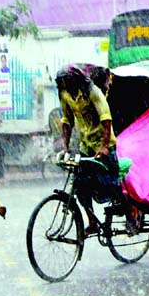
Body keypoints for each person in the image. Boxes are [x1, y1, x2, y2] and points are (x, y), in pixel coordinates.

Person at [56, 65, 137, 235]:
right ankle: (92, 221)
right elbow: (67, 121)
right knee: (81, 187)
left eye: (68, 81)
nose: (66, 85)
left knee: (110, 185)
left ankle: (130, 214)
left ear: (75, 79)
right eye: (62, 83)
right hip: (85, 146)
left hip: (104, 144)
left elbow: (106, 119)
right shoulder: (64, 94)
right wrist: (65, 147)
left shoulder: (92, 92)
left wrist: (105, 146)